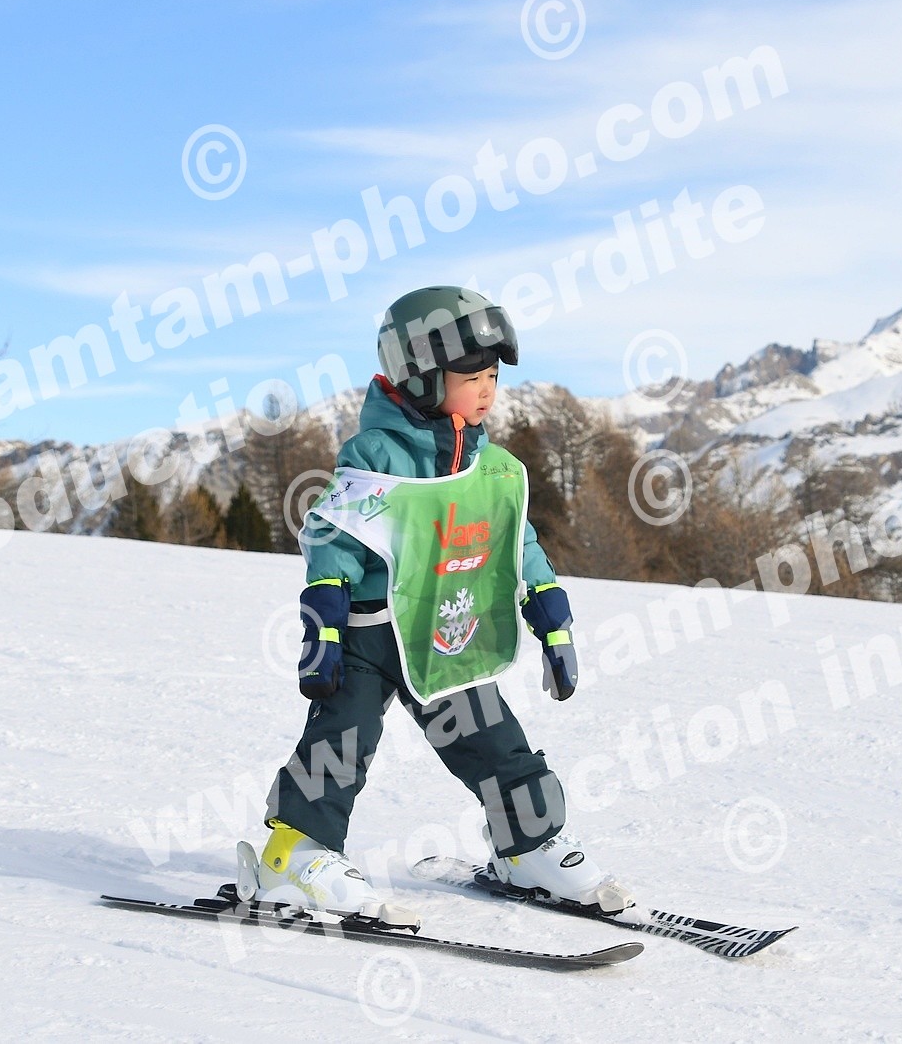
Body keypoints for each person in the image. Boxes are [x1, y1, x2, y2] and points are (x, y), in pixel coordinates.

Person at [240, 285, 631, 924]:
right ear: (419, 376)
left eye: (492, 376)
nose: (486, 390)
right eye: (470, 377)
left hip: (446, 632)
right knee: (341, 742)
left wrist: (551, 619)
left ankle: (526, 848)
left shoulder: (494, 468)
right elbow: (335, 535)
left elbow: (517, 541)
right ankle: (294, 856)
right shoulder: (377, 456)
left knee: (496, 742)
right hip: (369, 635)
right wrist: (324, 628)